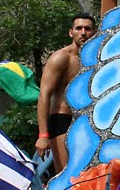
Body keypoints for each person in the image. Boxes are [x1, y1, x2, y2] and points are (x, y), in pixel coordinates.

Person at [35, 14, 97, 172]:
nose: (83, 33)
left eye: (87, 29)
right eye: (79, 28)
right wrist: (43, 135)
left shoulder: (98, 59)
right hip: (62, 120)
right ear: (71, 32)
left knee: (89, 175)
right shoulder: (61, 58)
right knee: (67, 174)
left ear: (94, 32)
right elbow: (44, 95)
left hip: (88, 121)